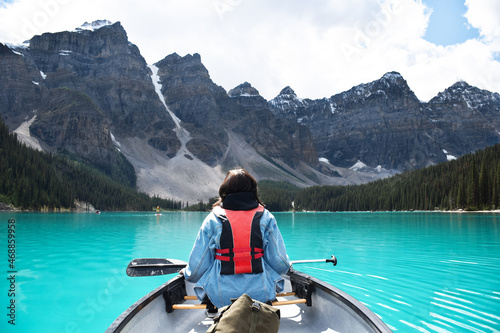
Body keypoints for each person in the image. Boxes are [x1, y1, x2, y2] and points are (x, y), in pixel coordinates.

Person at [183, 168, 291, 309]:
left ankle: (214, 310)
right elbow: (280, 264)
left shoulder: (212, 220)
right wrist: (287, 265)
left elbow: (197, 269)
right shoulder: (266, 217)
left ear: (225, 190)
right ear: (253, 190)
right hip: (260, 294)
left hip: (221, 297)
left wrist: (187, 273)